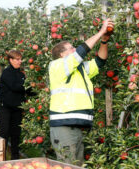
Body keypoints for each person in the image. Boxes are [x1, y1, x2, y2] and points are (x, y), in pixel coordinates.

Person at [48, 18, 114, 166]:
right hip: (64, 127)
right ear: (62, 55)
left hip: (76, 127)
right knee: (68, 165)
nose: (74, 49)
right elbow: (81, 51)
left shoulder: (80, 69)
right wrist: (100, 31)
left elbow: (100, 61)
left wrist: (104, 41)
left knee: (76, 165)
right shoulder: (56, 66)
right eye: (71, 48)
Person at [0, 50, 33, 160]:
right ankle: (0, 157)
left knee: (16, 133)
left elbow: (27, 90)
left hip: (17, 107)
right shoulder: (7, 73)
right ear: (11, 60)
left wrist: (36, 90)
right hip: (4, 107)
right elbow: (15, 87)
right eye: (17, 59)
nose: (20, 61)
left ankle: (15, 158)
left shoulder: (21, 74)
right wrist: (29, 85)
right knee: (5, 131)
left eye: (20, 59)